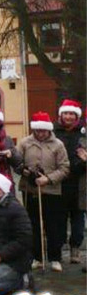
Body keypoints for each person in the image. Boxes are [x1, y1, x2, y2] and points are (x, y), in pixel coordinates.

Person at [16, 112, 70, 272]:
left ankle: (55, 258)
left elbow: (65, 167)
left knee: (54, 225)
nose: (40, 133)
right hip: (30, 189)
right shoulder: (25, 142)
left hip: (52, 191)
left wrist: (49, 179)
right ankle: (37, 257)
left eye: (43, 130)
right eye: (37, 130)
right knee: (33, 224)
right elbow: (16, 162)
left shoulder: (58, 144)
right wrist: (23, 171)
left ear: (48, 130)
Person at [53, 100, 86, 264]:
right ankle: (57, 249)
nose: (68, 117)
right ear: (61, 115)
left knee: (78, 217)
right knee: (58, 218)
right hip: (59, 182)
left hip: (79, 182)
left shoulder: (83, 134)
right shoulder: (53, 132)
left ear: (76, 116)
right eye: (65, 113)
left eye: (71, 114)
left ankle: (75, 248)